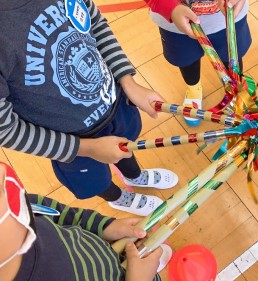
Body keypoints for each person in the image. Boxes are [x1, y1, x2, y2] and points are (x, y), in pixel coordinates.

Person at [0, 0, 179, 216]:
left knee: (127, 149)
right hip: (72, 143)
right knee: (96, 182)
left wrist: (127, 80)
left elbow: (93, 22)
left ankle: (135, 176)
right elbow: (6, 130)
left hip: (115, 104)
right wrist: (87, 148)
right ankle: (118, 198)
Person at [0, 162, 172, 281]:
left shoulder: (14, 202)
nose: (2, 171)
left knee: (147, 255)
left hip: (106, 253)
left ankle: (144, 263)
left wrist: (104, 226)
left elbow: (58, 213)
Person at [145, 0, 252, 126]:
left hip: (229, 16)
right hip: (175, 23)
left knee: (232, 58)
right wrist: (169, 7)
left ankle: (235, 90)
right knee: (186, 59)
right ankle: (194, 89)